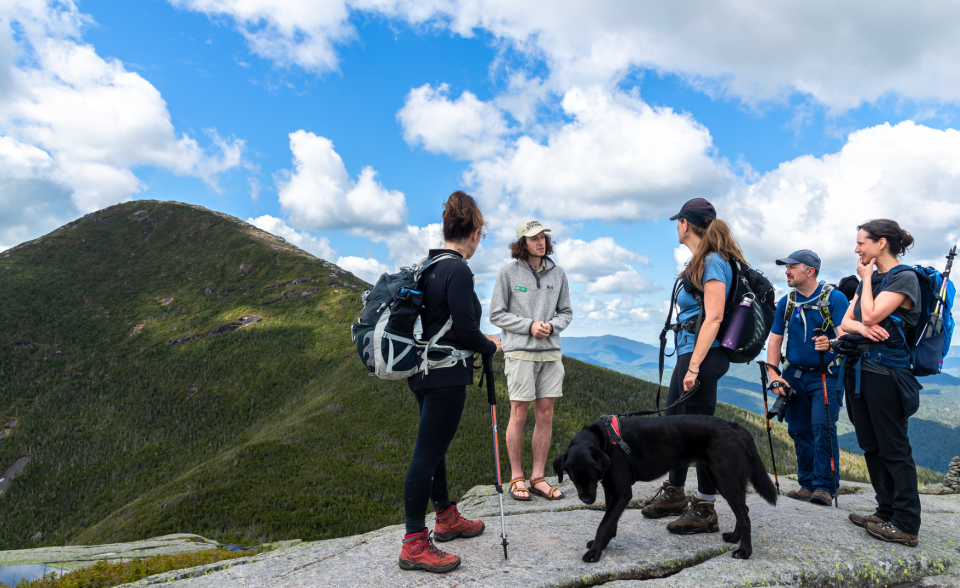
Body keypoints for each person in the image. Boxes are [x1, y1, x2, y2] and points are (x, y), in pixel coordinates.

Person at [399, 191, 503, 574]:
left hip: (421, 373)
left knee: (434, 448)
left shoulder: (428, 267)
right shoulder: (458, 270)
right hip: (446, 375)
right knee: (426, 454)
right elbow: (465, 329)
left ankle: (445, 517)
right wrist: (488, 345)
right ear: (474, 233)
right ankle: (413, 542)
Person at [641, 198, 740, 534]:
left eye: (678, 221)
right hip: (690, 352)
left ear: (685, 223)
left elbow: (713, 316)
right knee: (674, 425)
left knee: (701, 434)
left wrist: (694, 366)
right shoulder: (702, 260)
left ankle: (705, 507)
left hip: (703, 355)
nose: (676, 227)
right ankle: (675, 493)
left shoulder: (712, 262)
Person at [838, 219, 922, 547]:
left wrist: (866, 283)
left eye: (862, 243)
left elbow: (870, 315)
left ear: (882, 243)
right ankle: (885, 511)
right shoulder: (872, 278)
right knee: (871, 446)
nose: (857, 249)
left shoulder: (905, 278)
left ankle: (906, 523)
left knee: (894, 448)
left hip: (887, 374)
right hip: (861, 370)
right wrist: (860, 328)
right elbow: (847, 323)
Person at [489, 219, 573, 502]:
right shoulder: (507, 273)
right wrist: (529, 326)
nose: (541, 242)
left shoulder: (558, 273)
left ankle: (538, 477)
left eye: (544, 237)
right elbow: (496, 314)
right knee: (519, 414)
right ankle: (517, 477)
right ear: (521, 243)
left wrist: (552, 326)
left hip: (550, 351)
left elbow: (566, 312)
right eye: (534, 238)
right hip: (520, 352)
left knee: (546, 414)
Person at [765, 249, 849, 506]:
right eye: (786, 267)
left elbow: (846, 335)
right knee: (799, 429)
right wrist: (773, 373)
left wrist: (831, 343)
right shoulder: (787, 302)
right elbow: (776, 338)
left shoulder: (835, 298)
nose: (787, 271)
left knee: (822, 429)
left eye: (792, 267)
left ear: (810, 271)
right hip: (793, 375)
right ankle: (808, 483)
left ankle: (825, 486)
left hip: (827, 374)